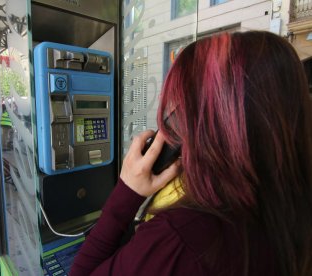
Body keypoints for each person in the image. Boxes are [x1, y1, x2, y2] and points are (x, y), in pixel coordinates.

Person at [69, 31, 312, 276]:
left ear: (215, 124)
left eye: (182, 106)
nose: (171, 122)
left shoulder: (181, 238)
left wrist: (127, 191)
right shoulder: (288, 203)